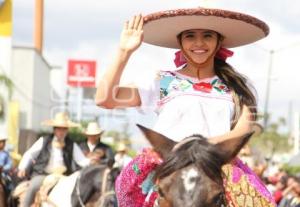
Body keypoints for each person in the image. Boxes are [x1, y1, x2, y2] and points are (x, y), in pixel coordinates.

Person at [95, 7, 275, 207]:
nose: (199, 43)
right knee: (124, 188)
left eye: (207, 35)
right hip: (169, 163)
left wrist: (196, 149)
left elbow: (242, 131)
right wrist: (124, 51)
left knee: (262, 202)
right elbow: (105, 99)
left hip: (217, 163)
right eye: (190, 36)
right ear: (180, 42)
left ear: (218, 42)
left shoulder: (239, 85)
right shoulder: (161, 81)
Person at [17, 112, 92, 207]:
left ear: (67, 130)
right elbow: (30, 154)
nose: (61, 131)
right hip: (43, 174)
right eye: (59, 128)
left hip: (64, 176)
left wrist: (93, 165)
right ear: (55, 129)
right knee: (33, 186)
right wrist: (22, 167)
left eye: (64, 129)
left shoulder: (71, 144)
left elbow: (82, 160)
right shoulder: (44, 140)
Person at [0, 131, 13, 199]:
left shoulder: (6, 154)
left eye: (4, 142)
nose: (3, 143)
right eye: (1, 141)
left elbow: (10, 165)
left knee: (10, 187)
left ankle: (9, 201)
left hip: (3, 175)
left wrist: (3, 168)